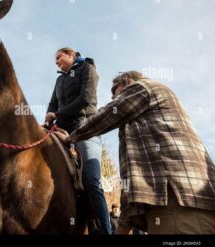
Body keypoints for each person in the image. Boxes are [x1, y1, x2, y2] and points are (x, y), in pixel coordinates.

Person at [54, 71, 215, 234]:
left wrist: (70, 138)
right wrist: (124, 225)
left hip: (178, 201)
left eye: (114, 91)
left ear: (128, 82)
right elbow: (143, 172)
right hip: (178, 203)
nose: (112, 98)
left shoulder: (143, 87)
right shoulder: (147, 115)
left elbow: (107, 115)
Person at [45, 47, 111, 234]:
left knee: (91, 180)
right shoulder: (59, 80)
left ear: (71, 55)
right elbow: (52, 104)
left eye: (59, 57)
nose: (56, 61)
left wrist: (57, 114)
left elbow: (85, 99)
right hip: (61, 130)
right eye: (55, 59)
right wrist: (48, 120)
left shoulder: (87, 69)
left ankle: (105, 230)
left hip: (85, 130)